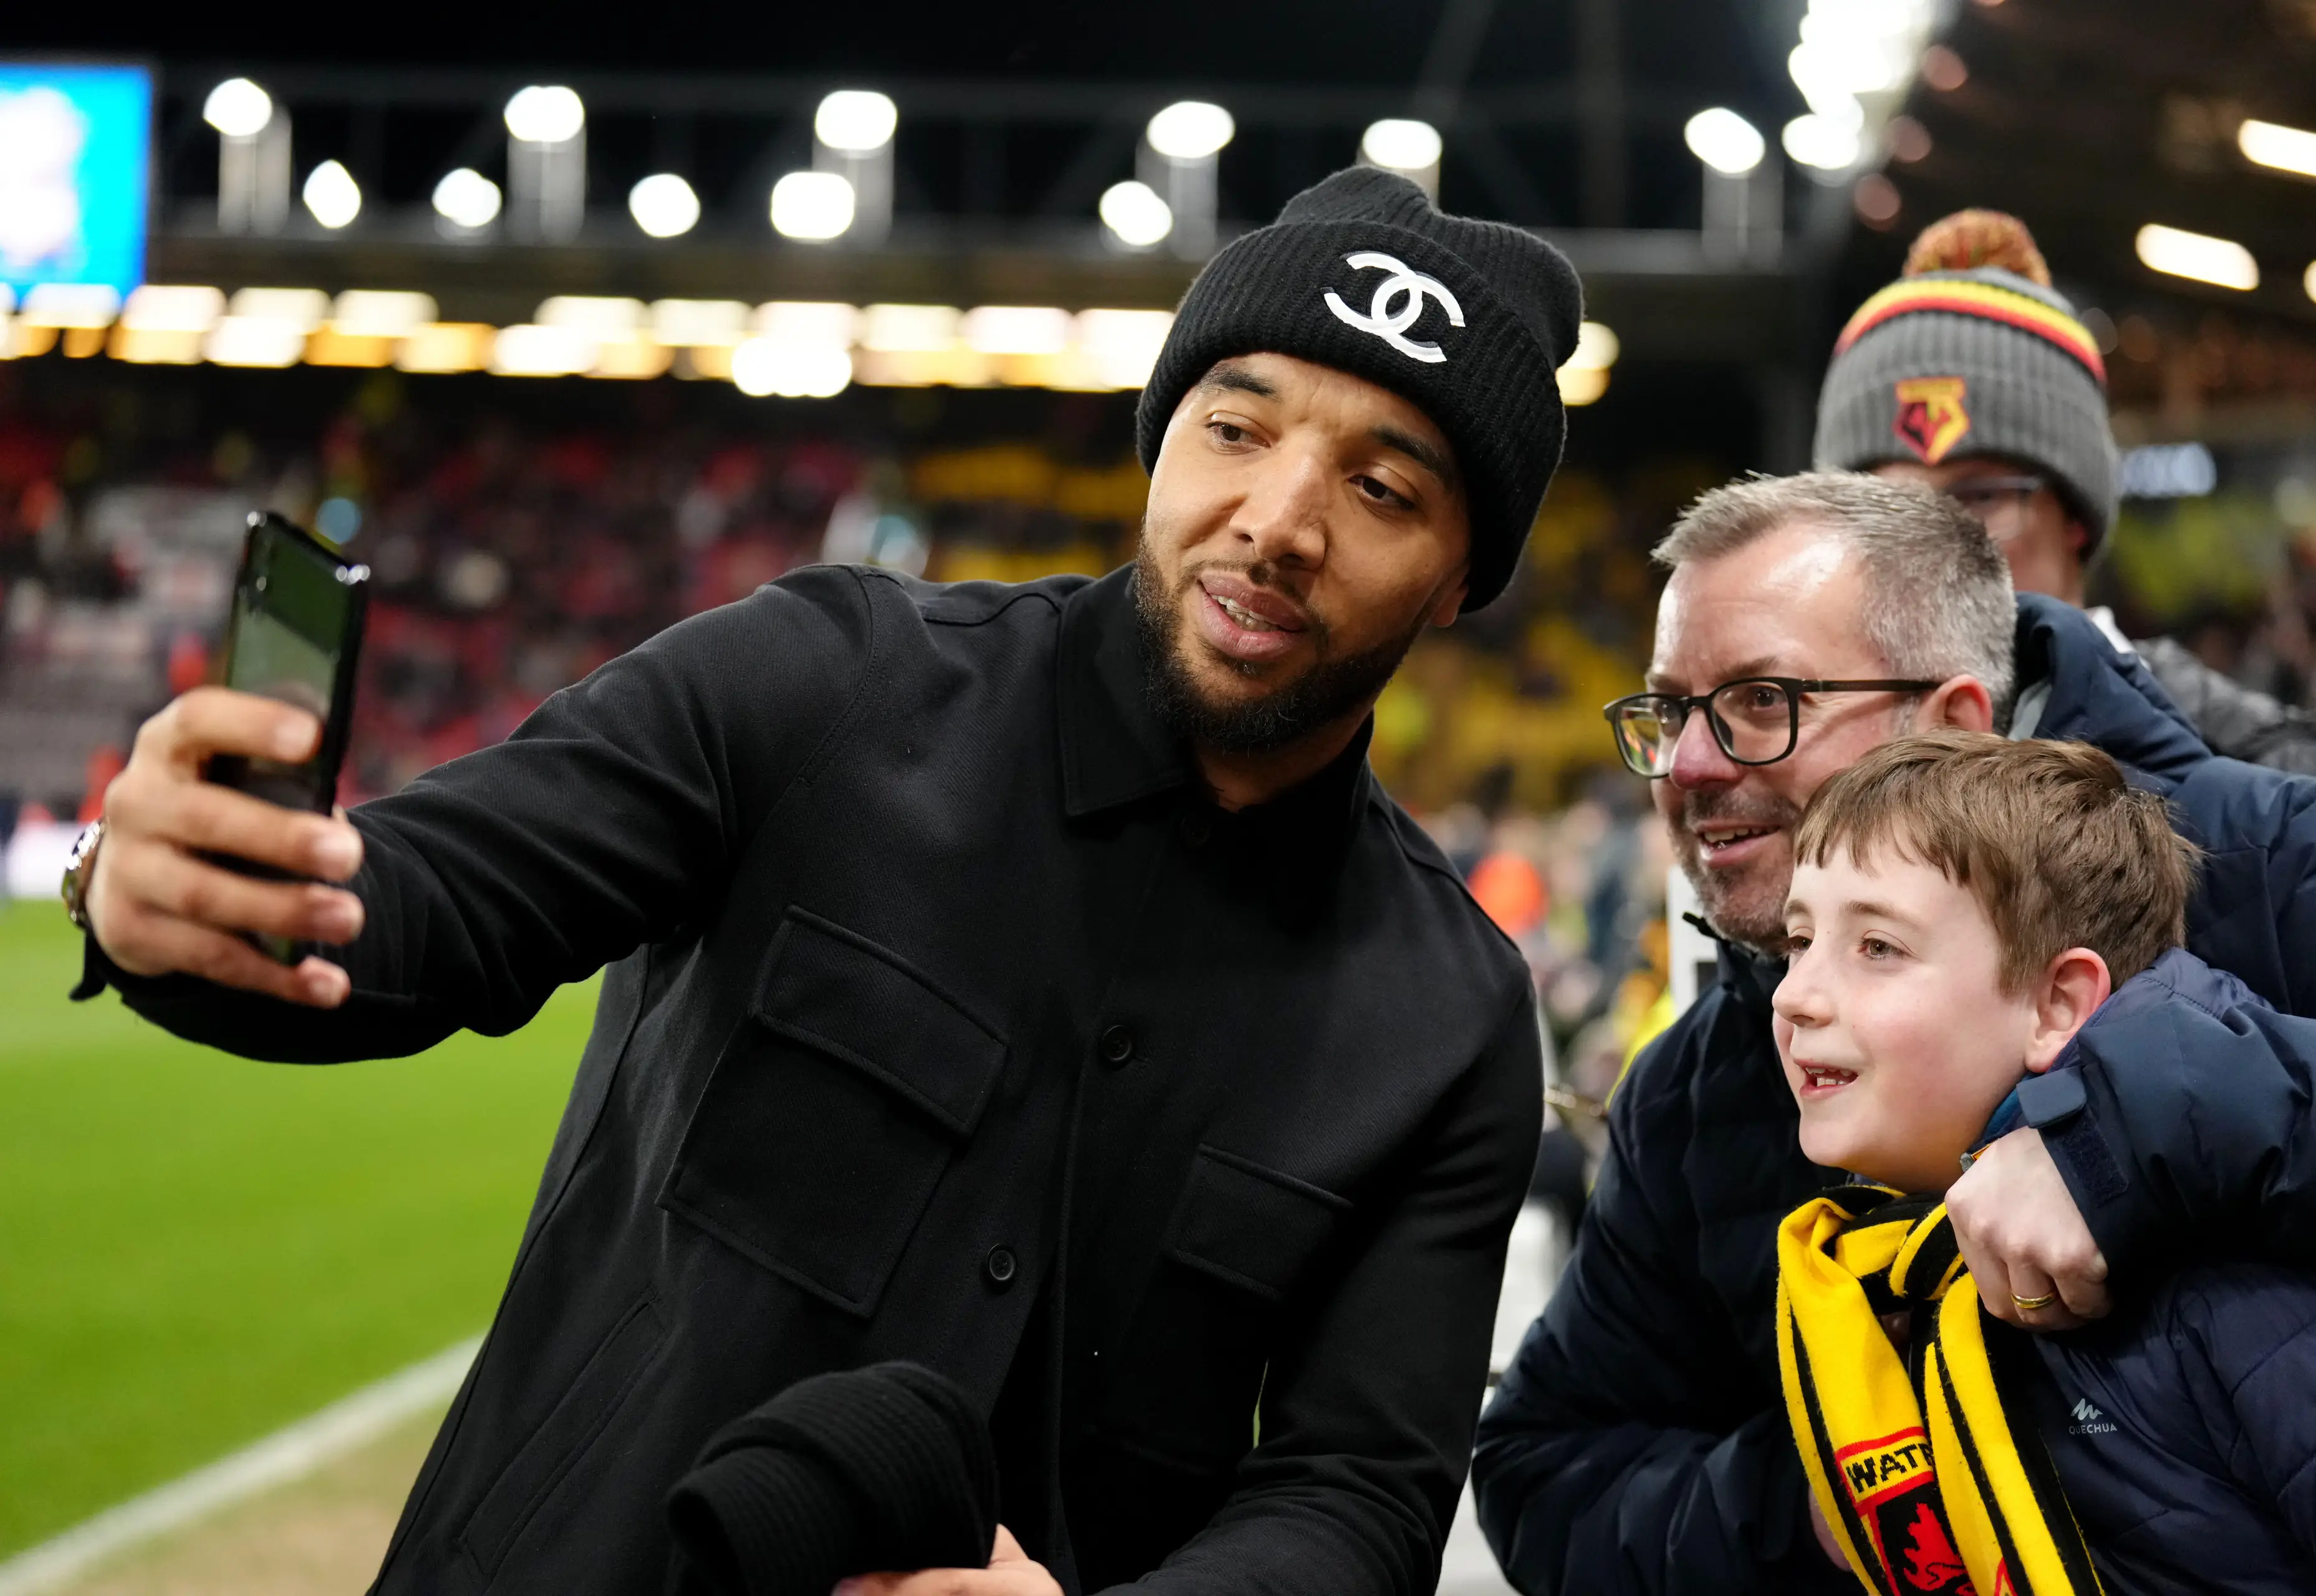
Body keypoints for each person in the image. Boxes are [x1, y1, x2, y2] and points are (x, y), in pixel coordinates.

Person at [63, 166, 1585, 1596]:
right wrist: (179, 888)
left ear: (1461, 575)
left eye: (1381, 489)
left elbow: (1358, 1496)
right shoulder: (820, 683)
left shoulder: (1444, 1018)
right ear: (1161, 432)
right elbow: (431, 903)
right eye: (1236, 430)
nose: (1275, 522)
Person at [1472, 471, 2316, 1595]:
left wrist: (2126, 1127)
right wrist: (1855, 1482)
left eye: (1763, 701)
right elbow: (1541, 1472)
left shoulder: (2277, 860)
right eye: (1668, 712)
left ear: (1958, 723)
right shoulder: (1699, 1081)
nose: (1694, 766)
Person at [1776, 730, 2316, 1595]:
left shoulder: (2231, 1279)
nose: (1795, 994)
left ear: (2058, 1006)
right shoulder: (1909, 1285)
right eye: (1797, 941)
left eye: (1879, 948)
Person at [1814, 208, 2316, 778]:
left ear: (2076, 518)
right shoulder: (1789, 767)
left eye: (1979, 499)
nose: (1926, 545)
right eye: (1885, 510)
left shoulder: (2261, 774)